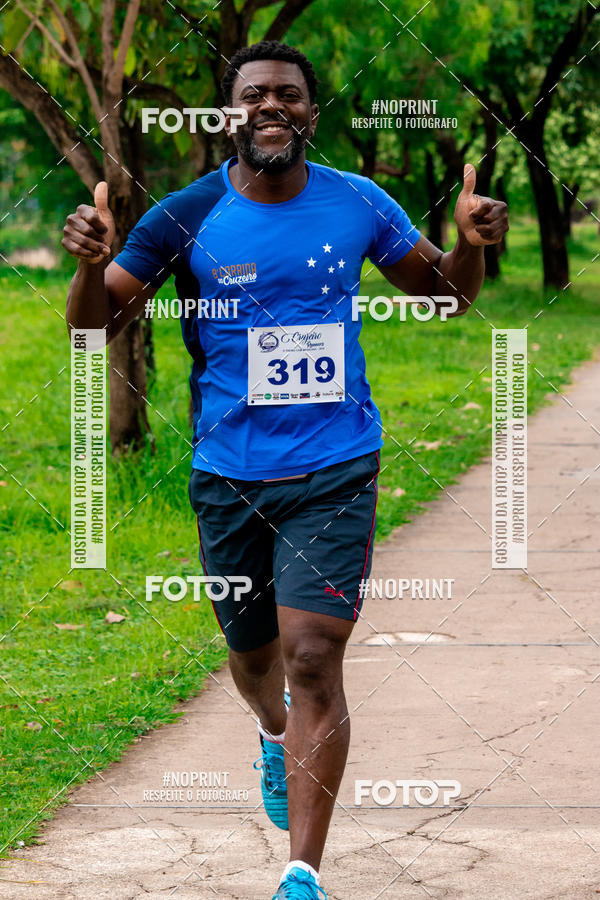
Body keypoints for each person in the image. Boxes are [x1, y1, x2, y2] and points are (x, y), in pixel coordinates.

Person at [63, 39, 508, 900]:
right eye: (256, 94)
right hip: (228, 473)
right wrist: (87, 267)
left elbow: (445, 296)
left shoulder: (358, 201)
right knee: (256, 659)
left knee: (312, 657)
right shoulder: (186, 215)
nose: (274, 107)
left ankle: (301, 874)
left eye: (290, 96)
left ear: (312, 111)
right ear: (229, 112)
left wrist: (473, 245)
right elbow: (91, 331)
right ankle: (271, 733)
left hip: (336, 464)